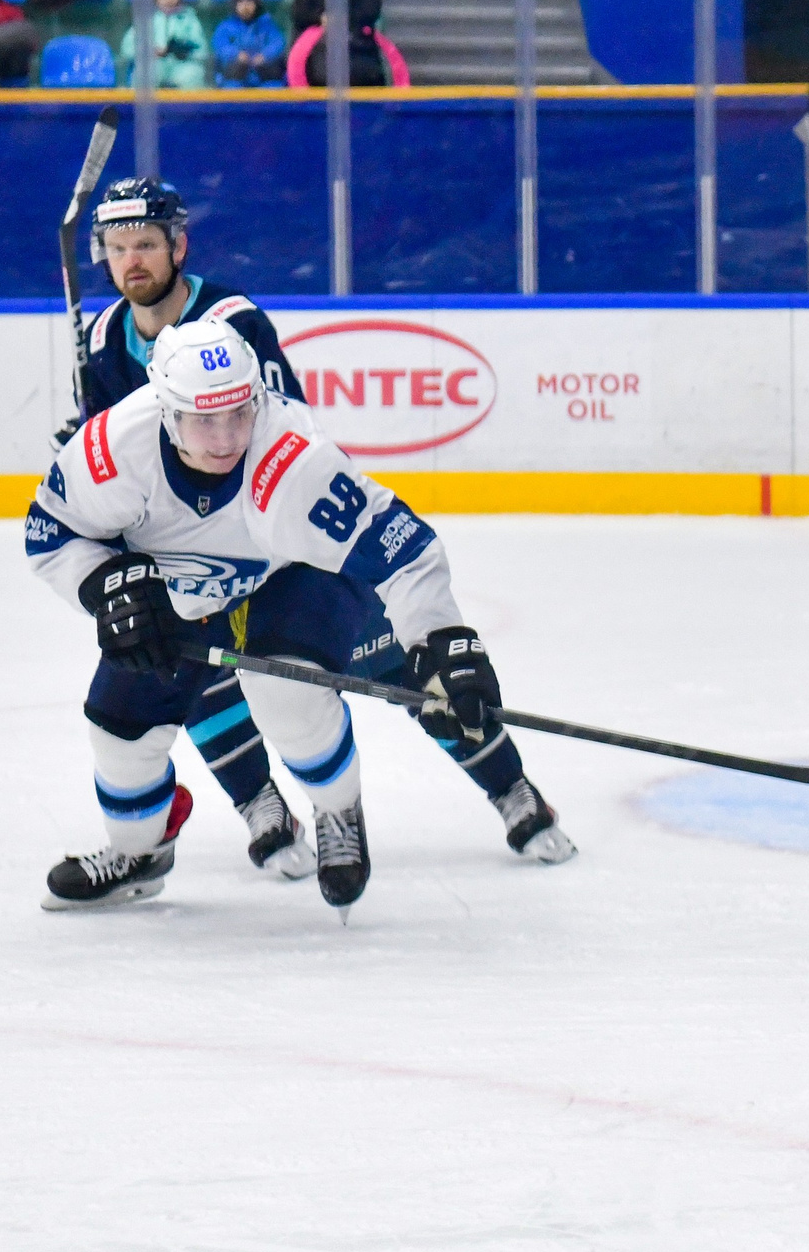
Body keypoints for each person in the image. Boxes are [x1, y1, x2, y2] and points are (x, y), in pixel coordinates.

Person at [64, 178, 574, 880]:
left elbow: (274, 442)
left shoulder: (231, 323)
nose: (133, 262)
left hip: (285, 545)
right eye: (119, 248)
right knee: (188, 666)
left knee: (396, 656)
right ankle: (264, 812)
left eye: (146, 243)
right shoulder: (102, 339)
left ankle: (512, 788)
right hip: (195, 557)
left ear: (177, 245)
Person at [26, 318, 529, 916]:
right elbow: (50, 533)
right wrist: (106, 585)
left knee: (282, 688)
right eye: (204, 420)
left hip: (294, 574)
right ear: (164, 409)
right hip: (179, 588)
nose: (225, 439)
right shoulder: (110, 452)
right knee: (118, 729)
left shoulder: (296, 464)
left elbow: (404, 548)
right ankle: (140, 853)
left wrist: (447, 639)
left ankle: (337, 809)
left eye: (239, 414)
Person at [119, 0, 208, 90]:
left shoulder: (189, 19)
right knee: (145, 73)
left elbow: (201, 48)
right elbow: (128, 47)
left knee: (193, 75)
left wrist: (183, 50)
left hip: (183, 64)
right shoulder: (146, 20)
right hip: (154, 64)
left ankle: (187, 110)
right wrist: (149, 51)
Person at [212, 0, 287, 87]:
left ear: (256, 4)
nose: (245, 6)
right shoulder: (226, 27)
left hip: (263, 75)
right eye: (241, 2)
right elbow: (221, 45)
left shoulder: (267, 25)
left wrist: (264, 55)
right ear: (235, 5)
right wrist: (236, 55)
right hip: (236, 77)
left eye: (249, 2)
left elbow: (278, 43)